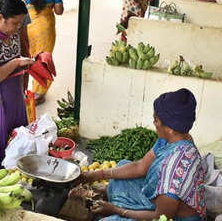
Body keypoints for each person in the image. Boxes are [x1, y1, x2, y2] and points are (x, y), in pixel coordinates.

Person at [79, 88, 206, 220]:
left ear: (170, 128)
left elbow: (160, 217)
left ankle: (116, 208)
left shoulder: (172, 176)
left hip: (167, 217)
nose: (154, 124)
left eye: (156, 120)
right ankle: (113, 199)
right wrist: (96, 175)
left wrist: (117, 210)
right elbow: (140, 167)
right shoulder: (177, 138)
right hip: (161, 201)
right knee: (121, 170)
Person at [0, 0, 55, 181]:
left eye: (20, 23)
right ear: (0, 18)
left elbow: (18, 61)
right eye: (15, 23)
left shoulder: (11, 33)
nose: (18, 28)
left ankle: (11, 177)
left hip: (13, 98)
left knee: (15, 139)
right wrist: (16, 63)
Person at [20, 0, 64, 105]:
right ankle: (38, 92)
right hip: (45, 29)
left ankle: (24, 89)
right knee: (43, 58)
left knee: (28, 57)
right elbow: (59, 11)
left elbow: (20, 5)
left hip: (28, 26)